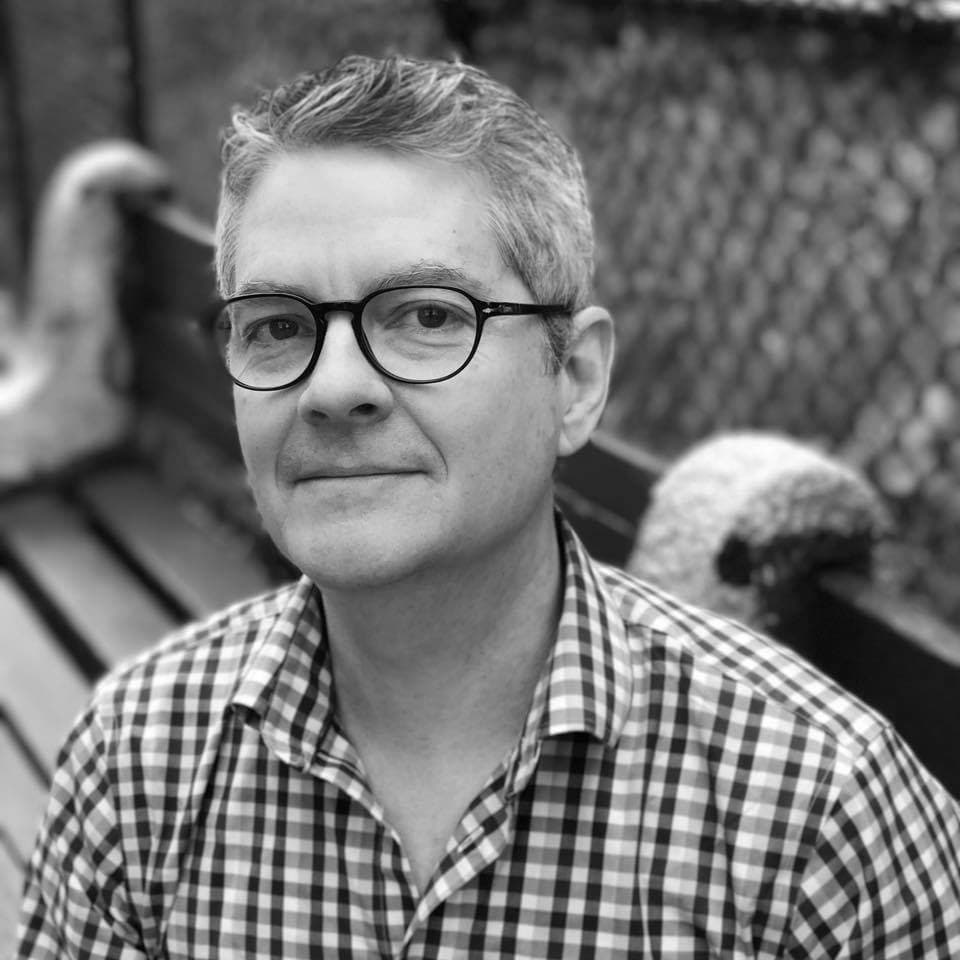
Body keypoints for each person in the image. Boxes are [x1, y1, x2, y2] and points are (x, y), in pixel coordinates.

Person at [16, 54, 960, 959]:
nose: (333, 387)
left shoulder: (817, 816)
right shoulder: (137, 759)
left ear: (575, 381)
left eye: (427, 315)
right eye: (276, 328)